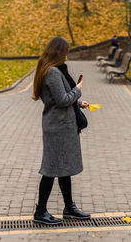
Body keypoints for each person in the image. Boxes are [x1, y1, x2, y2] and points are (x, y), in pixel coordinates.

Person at [32, 36, 90, 225]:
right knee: (50, 169)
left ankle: (69, 207)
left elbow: (59, 99)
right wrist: (78, 89)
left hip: (60, 125)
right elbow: (63, 100)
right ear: (59, 52)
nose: (67, 54)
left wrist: (79, 103)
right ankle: (40, 211)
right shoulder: (53, 72)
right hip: (58, 128)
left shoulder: (50, 70)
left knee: (64, 168)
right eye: (66, 50)